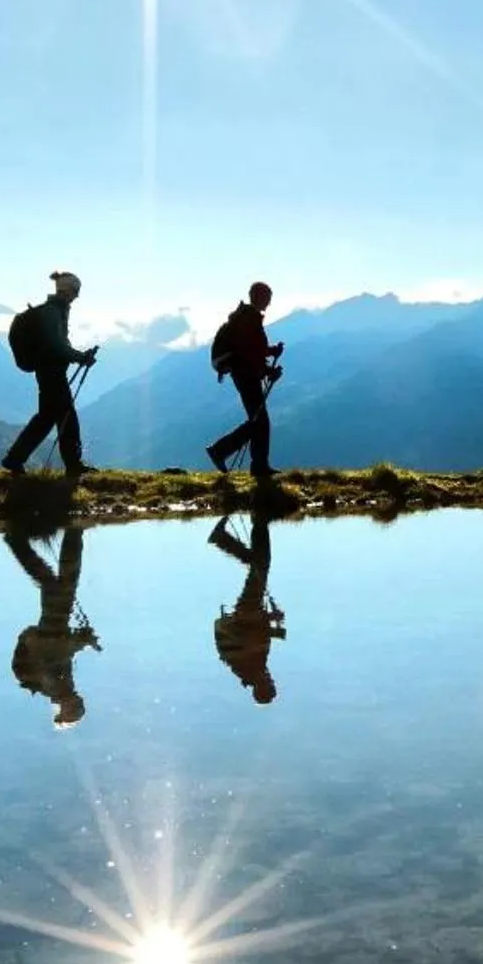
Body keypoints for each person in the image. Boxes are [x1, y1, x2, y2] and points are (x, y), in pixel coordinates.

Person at [3, 270, 100, 477]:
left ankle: (14, 459)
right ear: (67, 291)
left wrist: (79, 356)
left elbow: (59, 344)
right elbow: (56, 346)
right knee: (67, 418)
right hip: (51, 373)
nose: (77, 296)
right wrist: (80, 357)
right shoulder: (53, 313)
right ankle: (73, 466)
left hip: (48, 371)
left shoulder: (55, 311)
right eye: (76, 291)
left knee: (46, 419)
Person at [7, 525, 97, 727]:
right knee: (61, 581)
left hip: (53, 625)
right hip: (55, 624)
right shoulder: (60, 688)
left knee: (57, 582)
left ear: (67, 707)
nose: (78, 700)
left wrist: (82, 641)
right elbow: (63, 654)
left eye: (75, 706)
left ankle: (19, 543)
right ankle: (71, 531)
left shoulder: (54, 687)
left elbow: (56, 654)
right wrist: (83, 642)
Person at [205, 280, 284, 479]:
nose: (269, 303)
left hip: (243, 374)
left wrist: (270, 355)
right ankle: (222, 451)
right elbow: (250, 353)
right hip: (246, 375)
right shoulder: (250, 319)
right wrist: (268, 369)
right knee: (259, 421)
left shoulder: (246, 317)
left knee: (258, 420)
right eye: (267, 298)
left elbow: (251, 351)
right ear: (259, 297)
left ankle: (257, 465)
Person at [207, 514, 284, 704]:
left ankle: (228, 536)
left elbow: (247, 630)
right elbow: (255, 635)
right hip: (248, 612)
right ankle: (233, 534)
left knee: (261, 563)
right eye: (272, 683)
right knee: (260, 564)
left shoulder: (250, 667)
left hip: (246, 611)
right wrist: (274, 629)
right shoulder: (254, 669)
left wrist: (270, 619)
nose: (271, 679)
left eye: (269, 684)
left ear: (261, 688)